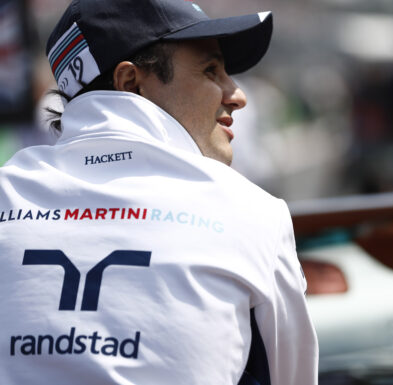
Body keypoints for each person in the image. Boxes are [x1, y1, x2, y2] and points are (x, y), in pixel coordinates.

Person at [0, 0, 318, 384]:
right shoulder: (252, 211)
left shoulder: (6, 190)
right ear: (131, 82)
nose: (236, 94)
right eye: (211, 70)